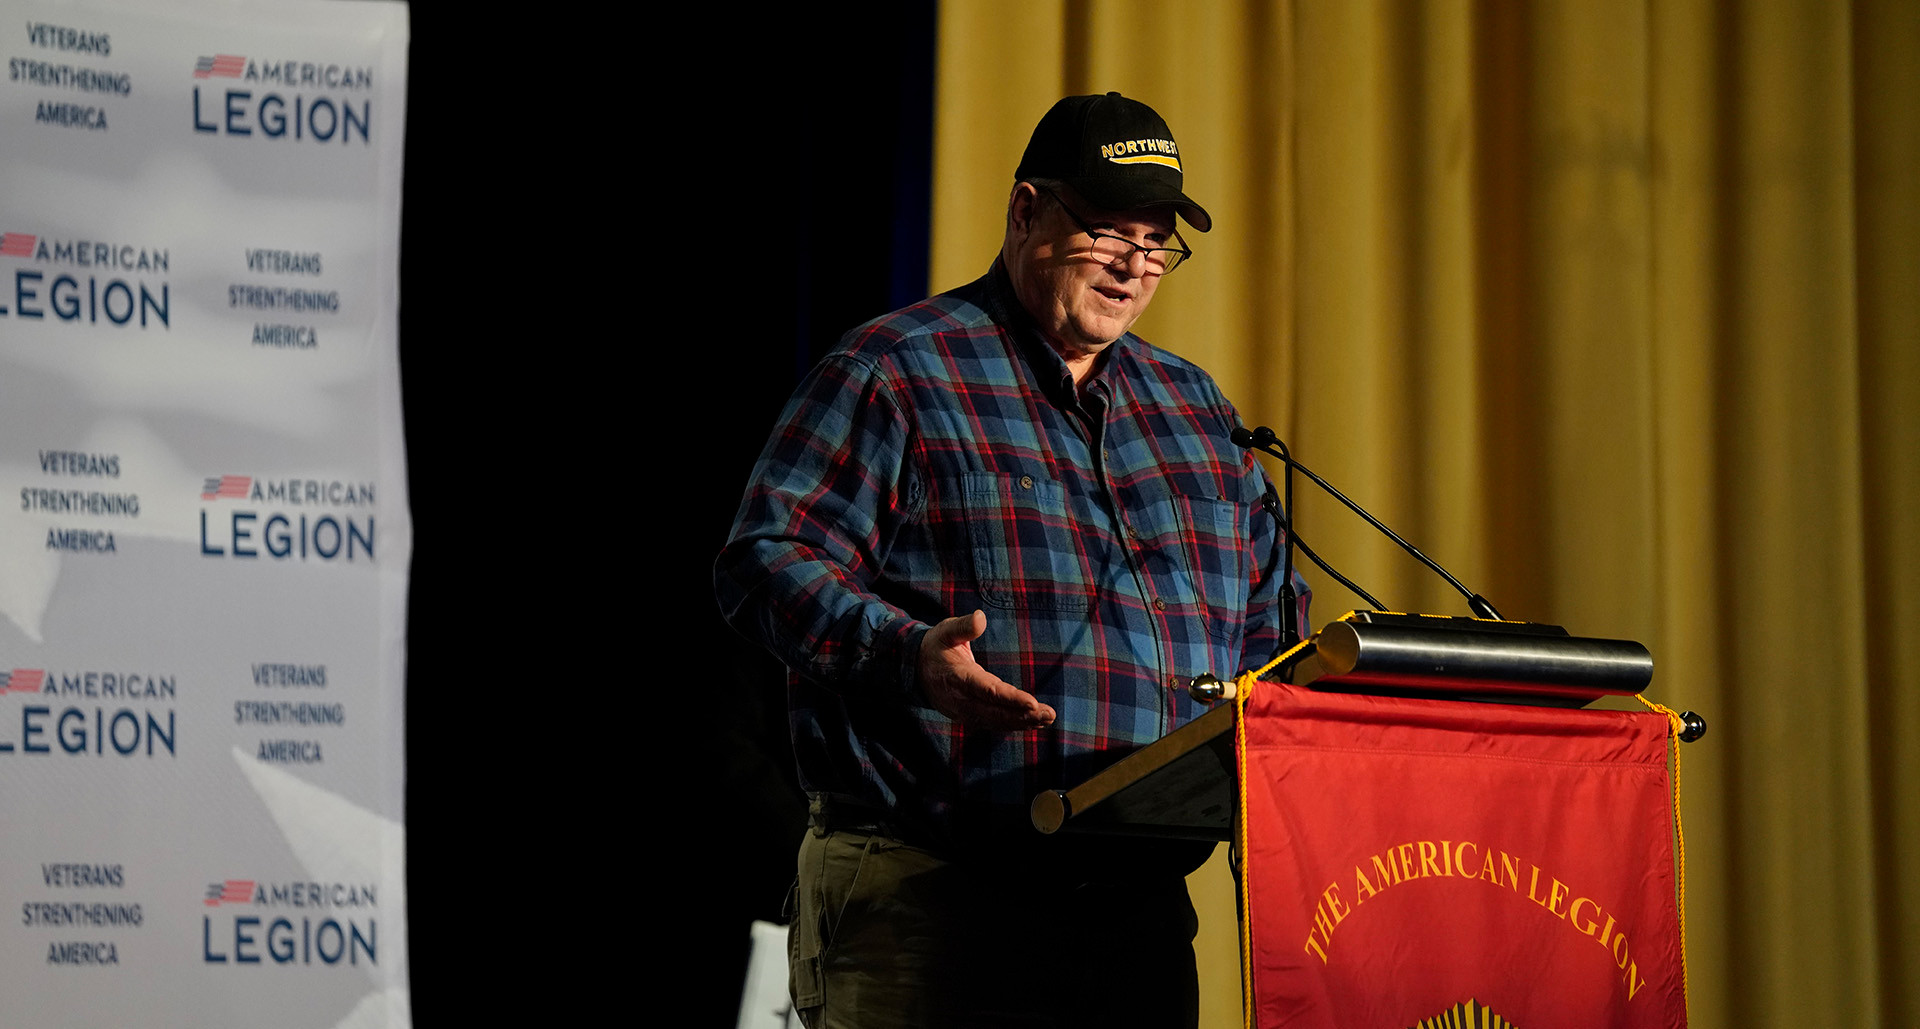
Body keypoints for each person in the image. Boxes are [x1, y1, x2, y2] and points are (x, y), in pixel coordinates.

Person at [715, 92, 1307, 1028]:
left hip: (1137, 918)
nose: (1135, 265)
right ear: (1026, 210)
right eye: (1109, 230)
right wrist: (907, 655)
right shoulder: (898, 370)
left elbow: (1274, 620)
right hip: (930, 899)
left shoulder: (1197, 412)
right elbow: (765, 558)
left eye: (1157, 243)